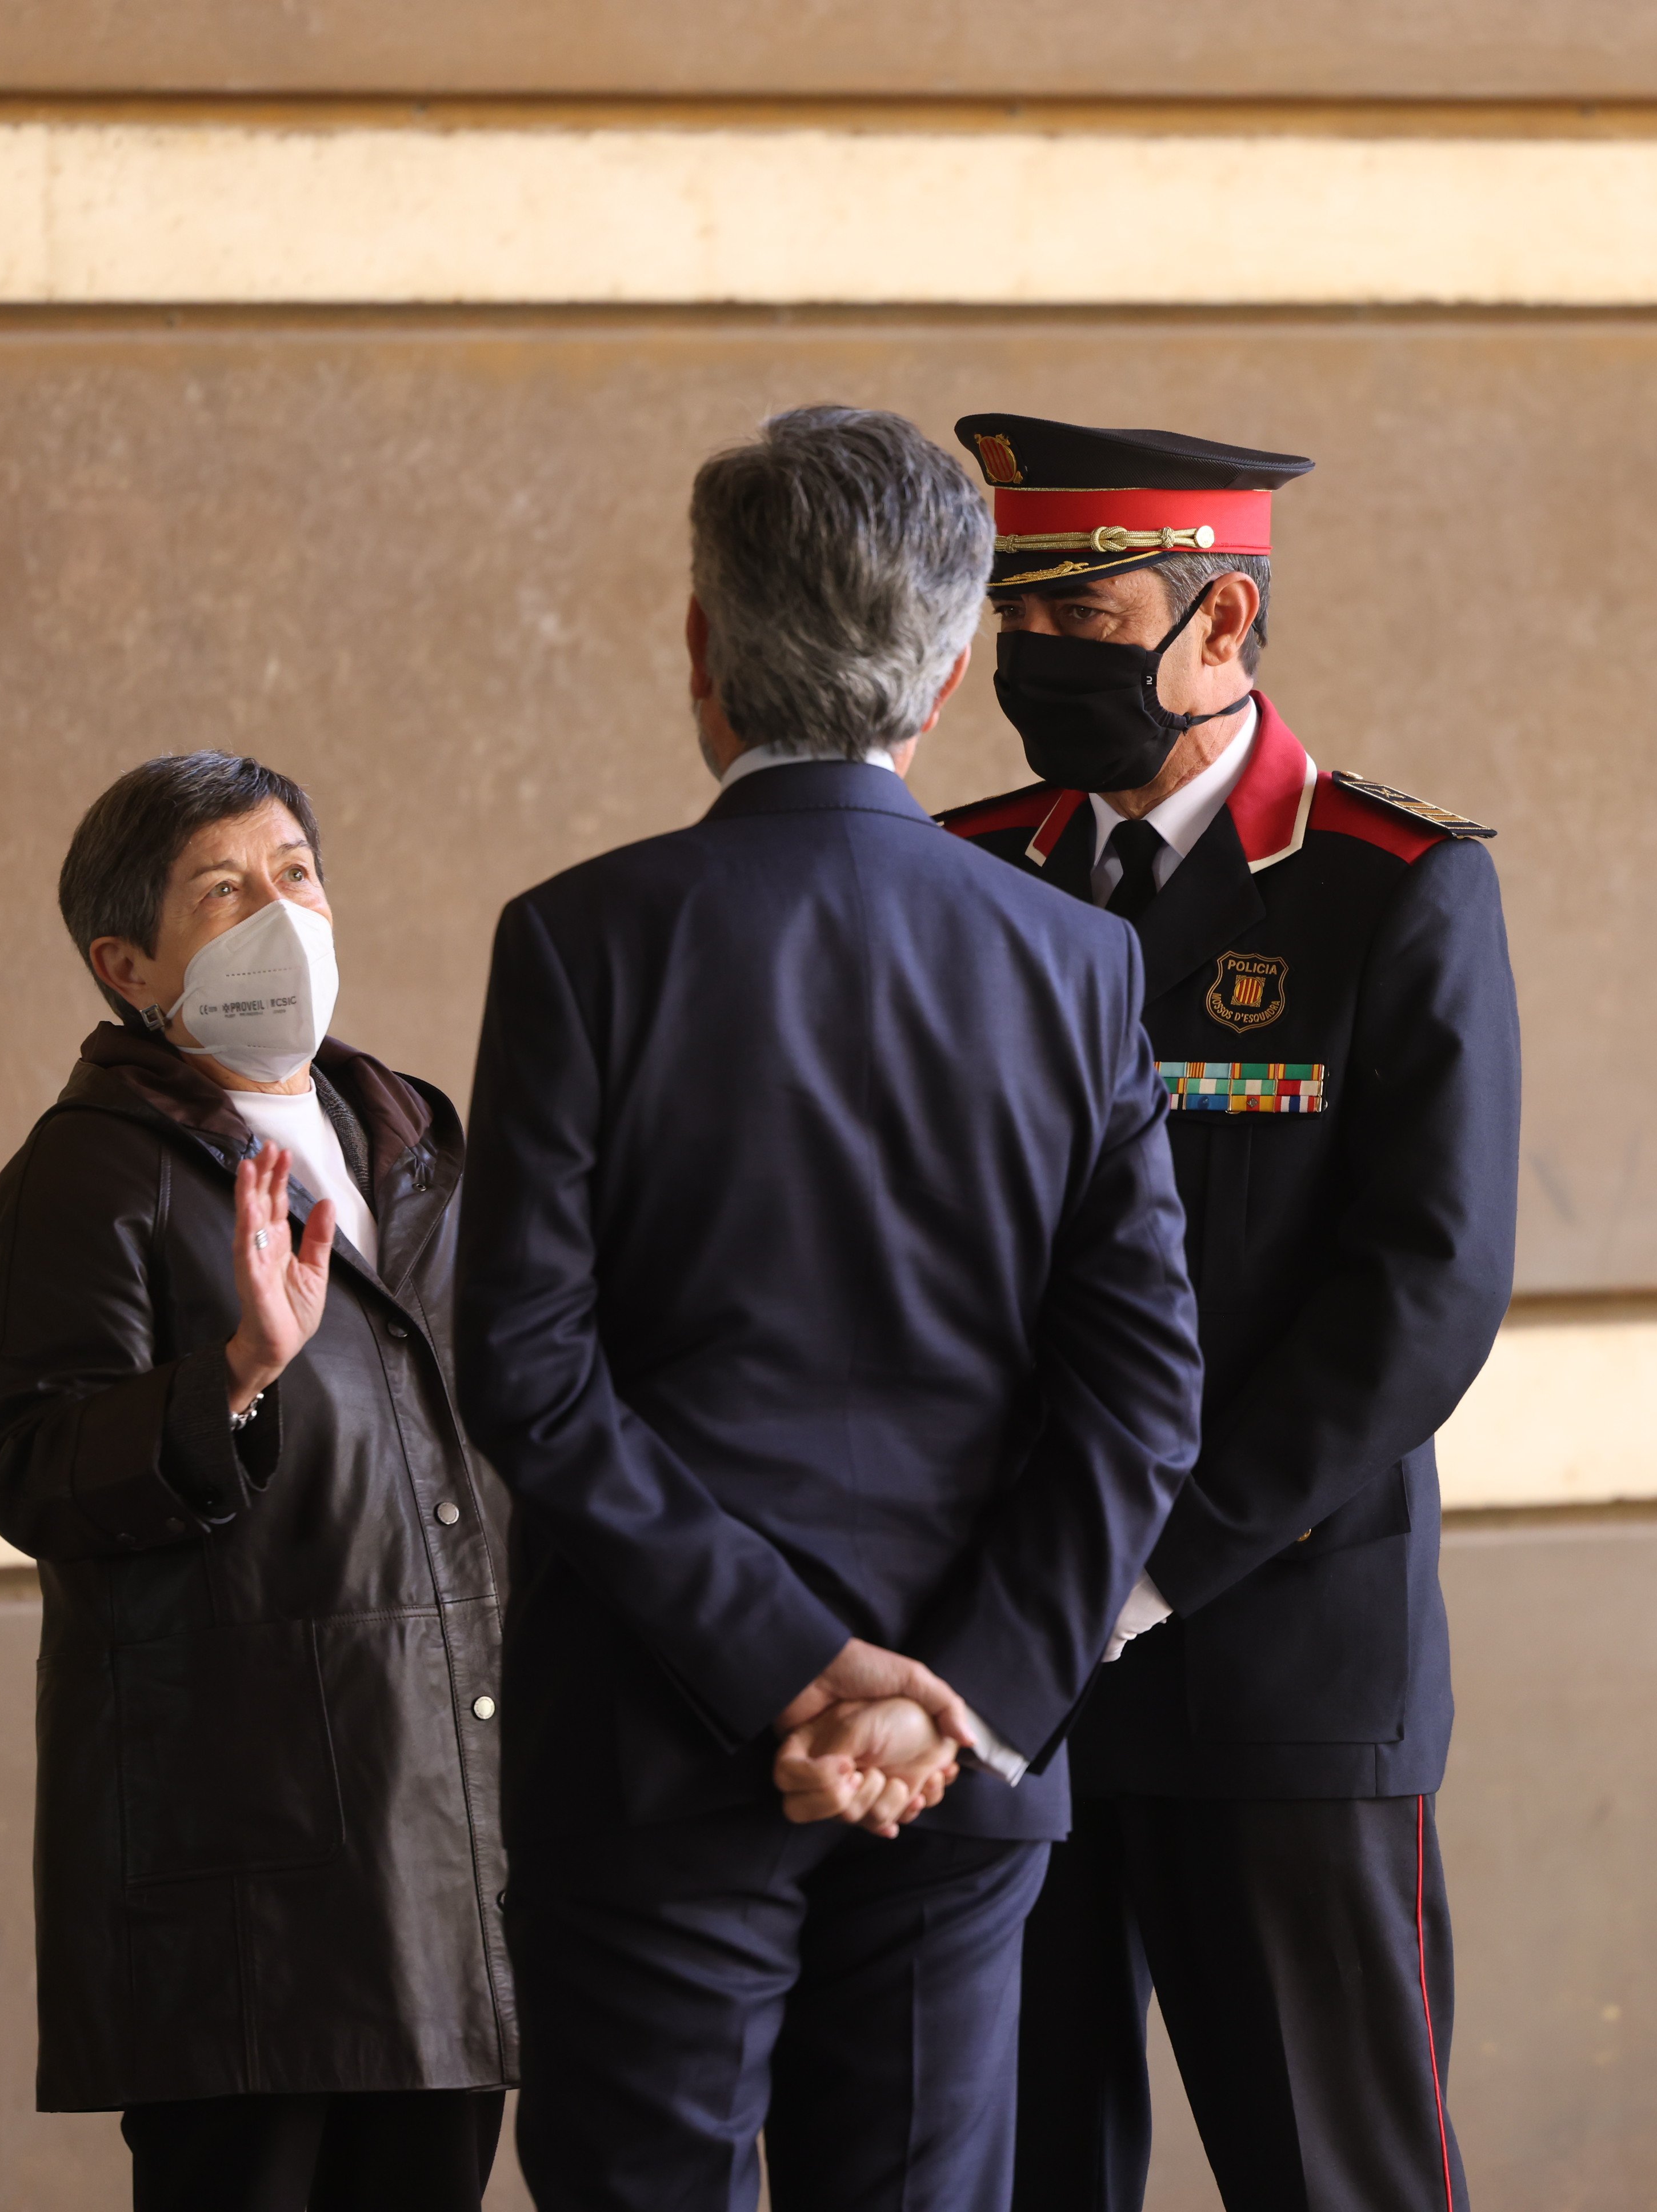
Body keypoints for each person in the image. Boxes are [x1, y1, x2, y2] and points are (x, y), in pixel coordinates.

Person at [454, 405, 1206, 2212]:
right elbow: (1144, 1398)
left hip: (653, 1744)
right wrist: (956, 1698)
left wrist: (791, 1666)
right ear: (951, 677)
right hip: (961, 1773)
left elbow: (530, 1372)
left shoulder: (581, 940)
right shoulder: (1080, 963)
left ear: (702, 648)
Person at [940, 415, 1522, 2212]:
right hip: (998, 1677)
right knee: (1014, 2172)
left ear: (1223, 624)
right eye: (1017, 620)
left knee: (1330, 2174)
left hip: (1278, 1663)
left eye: (1093, 611)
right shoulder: (966, 875)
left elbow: (1422, 1297)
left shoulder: (1388, 891)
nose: (1044, 660)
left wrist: (1149, 1568)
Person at [0, 752, 515, 2212]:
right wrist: (232, 1379)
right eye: (223, 890)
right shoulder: (87, 1179)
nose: (281, 911)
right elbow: (34, 1472)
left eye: (296, 872)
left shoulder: (412, 1145)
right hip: (246, 1886)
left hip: (439, 1852)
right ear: (125, 964)